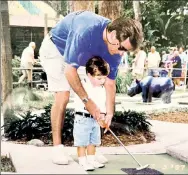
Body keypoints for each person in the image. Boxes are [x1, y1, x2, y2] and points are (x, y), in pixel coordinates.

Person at [39, 10, 143, 165]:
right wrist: (88, 102)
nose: (122, 55)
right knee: (63, 95)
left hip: (81, 54)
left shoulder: (115, 50)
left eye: (126, 51)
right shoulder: (85, 30)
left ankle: (91, 149)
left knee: (95, 91)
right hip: (56, 48)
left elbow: (109, 83)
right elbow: (69, 70)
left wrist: (109, 113)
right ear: (113, 35)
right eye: (122, 49)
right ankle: (57, 147)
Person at [73, 56, 109, 171]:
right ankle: (83, 161)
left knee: (93, 141)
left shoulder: (101, 89)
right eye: (99, 78)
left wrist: (103, 115)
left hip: (95, 120)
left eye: (104, 78)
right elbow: (83, 103)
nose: (102, 81)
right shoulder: (82, 86)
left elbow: (102, 104)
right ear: (89, 74)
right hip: (82, 118)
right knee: (82, 142)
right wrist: (92, 110)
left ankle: (92, 159)